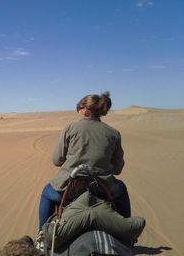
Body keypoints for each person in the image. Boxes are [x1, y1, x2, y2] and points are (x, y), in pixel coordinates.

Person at [38, 91, 131, 232]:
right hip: (102, 189)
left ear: (86, 110)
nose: (78, 111)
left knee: (46, 193)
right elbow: (118, 169)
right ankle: (128, 232)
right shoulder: (113, 133)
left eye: (79, 107)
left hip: (69, 188)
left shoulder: (70, 128)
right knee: (122, 189)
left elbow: (57, 160)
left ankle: (41, 234)